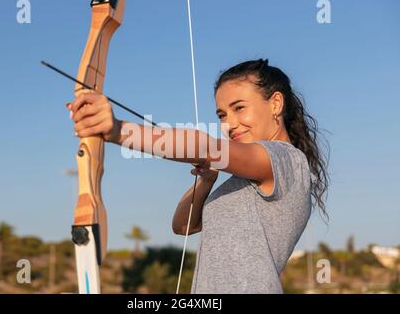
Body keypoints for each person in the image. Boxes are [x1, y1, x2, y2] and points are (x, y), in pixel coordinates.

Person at [66, 59, 329, 293]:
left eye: (239, 108)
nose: (229, 124)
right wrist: (206, 182)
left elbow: (204, 146)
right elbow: (183, 226)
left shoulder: (285, 159)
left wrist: (117, 130)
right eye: (222, 115)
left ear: (275, 103)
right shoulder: (244, 180)